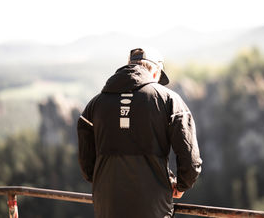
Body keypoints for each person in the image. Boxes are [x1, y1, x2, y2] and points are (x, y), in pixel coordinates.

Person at [77, 47, 202, 218]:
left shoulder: (95, 104)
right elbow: (190, 158)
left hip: (107, 205)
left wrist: (104, 181)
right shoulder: (169, 100)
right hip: (153, 207)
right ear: (156, 71)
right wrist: (181, 186)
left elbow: (86, 163)